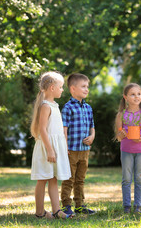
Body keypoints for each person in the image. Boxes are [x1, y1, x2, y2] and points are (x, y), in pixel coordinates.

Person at [30, 71, 72, 219]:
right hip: (47, 148)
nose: (62, 90)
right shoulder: (46, 106)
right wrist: (50, 150)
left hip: (54, 147)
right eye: (61, 87)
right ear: (52, 88)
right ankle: (40, 213)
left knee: (53, 179)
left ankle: (56, 211)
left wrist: (62, 147)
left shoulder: (54, 105)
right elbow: (42, 129)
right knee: (42, 179)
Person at [60, 73, 96, 216]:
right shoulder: (68, 108)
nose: (86, 89)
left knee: (80, 179)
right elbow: (64, 129)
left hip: (84, 150)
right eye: (83, 86)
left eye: (87, 86)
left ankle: (80, 205)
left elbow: (92, 126)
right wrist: (64, 147)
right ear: (73, 89)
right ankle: (66, 205)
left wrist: (92, 136)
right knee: (69, 179)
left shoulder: (88, 108)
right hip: (71, 150)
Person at [115, 83, 141, 214]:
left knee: (140, 178)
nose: (136, 97)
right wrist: (121, 134)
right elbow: (118, 136)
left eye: (138, 94)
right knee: (126, 178)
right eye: (132, 94)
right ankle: (126, 206)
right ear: (125, 97)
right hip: (126, 150)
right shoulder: (121, 114)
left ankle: (138, 206)